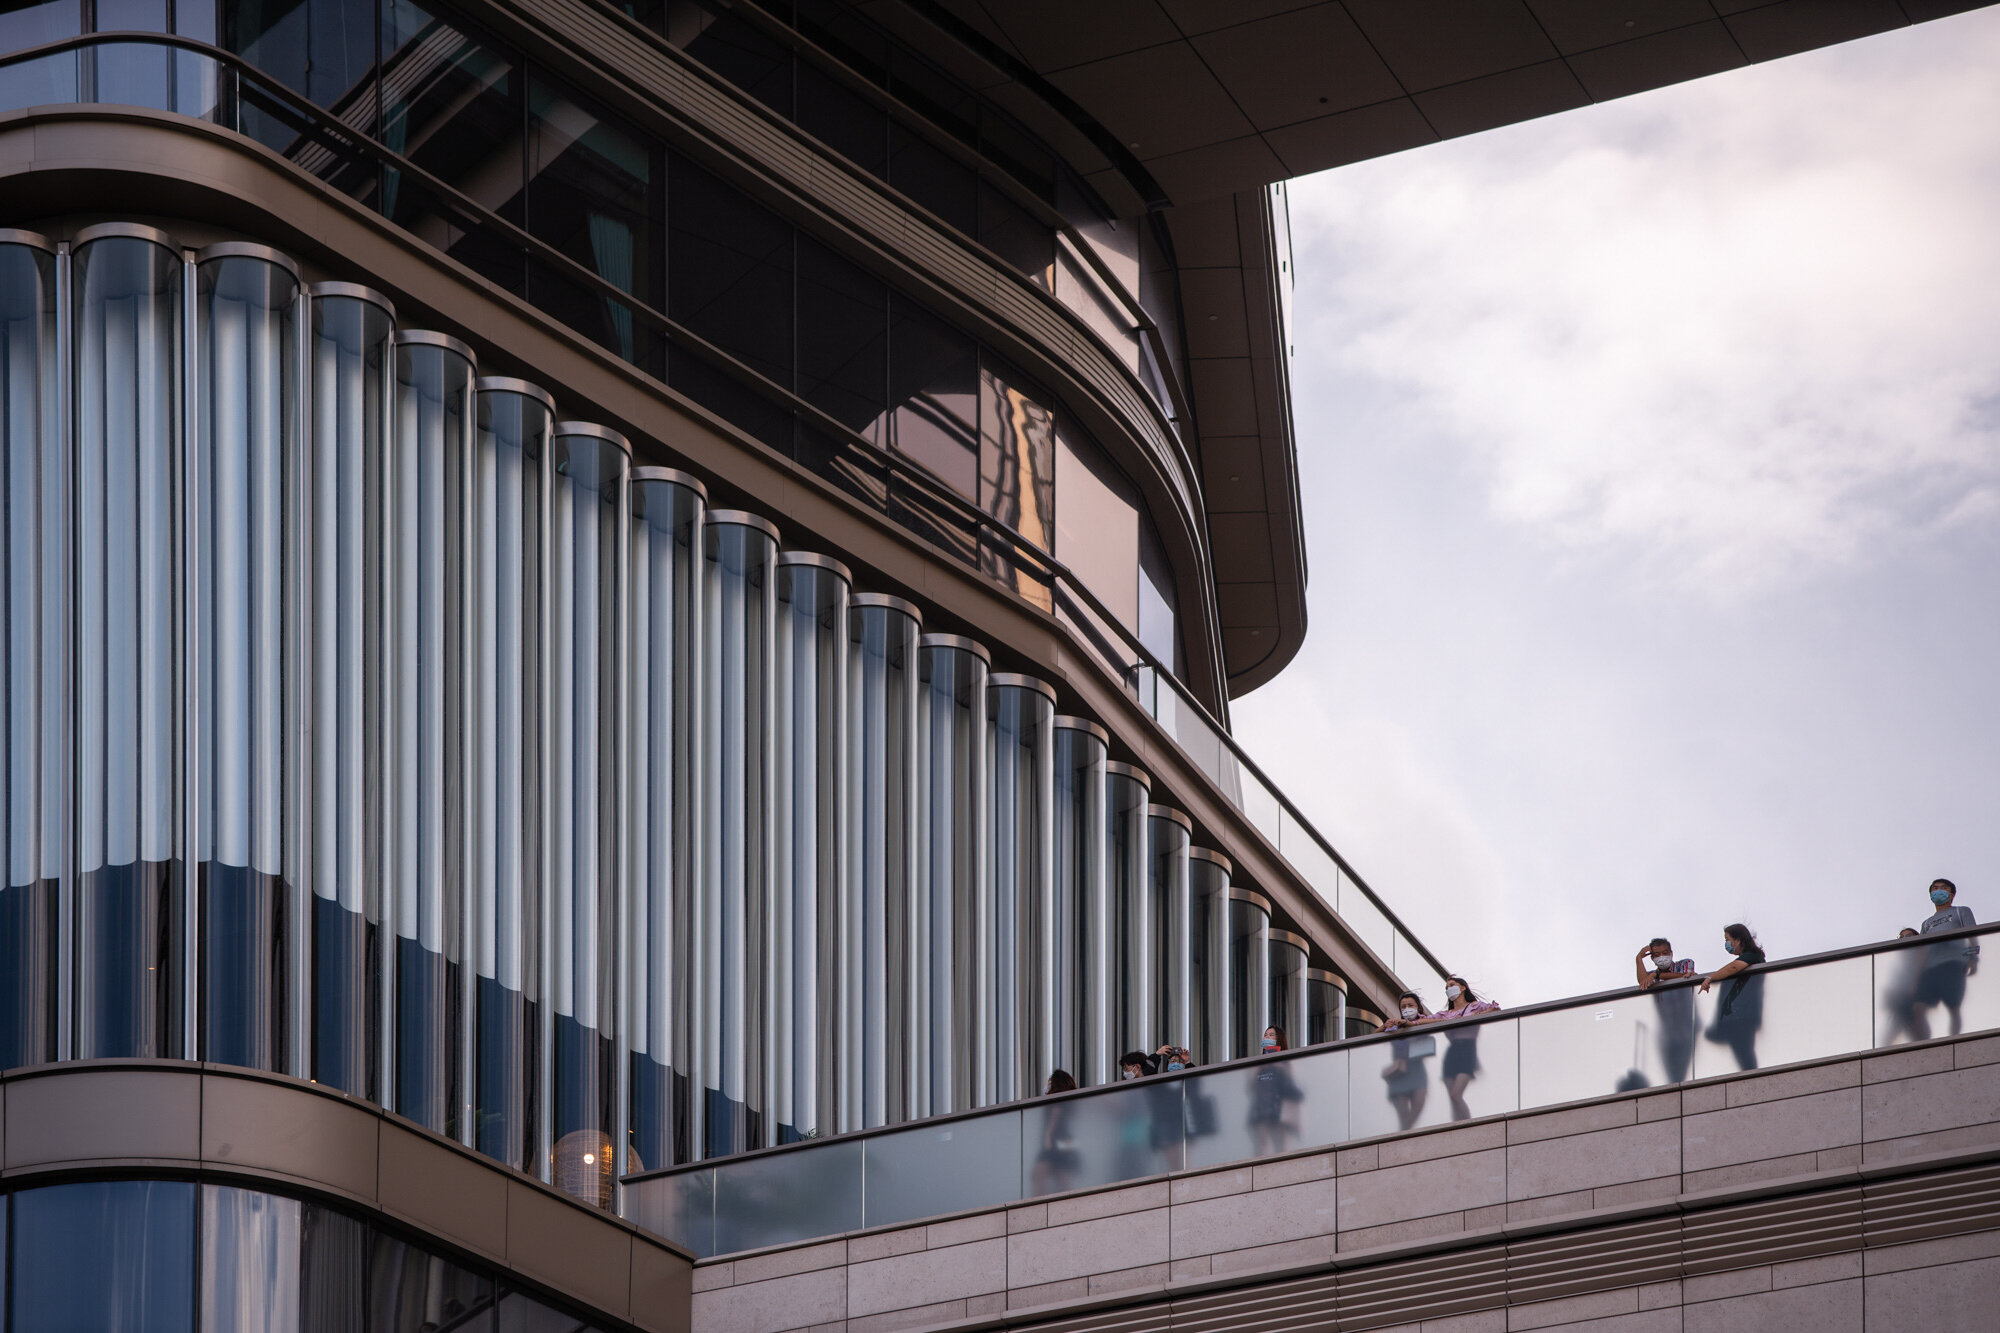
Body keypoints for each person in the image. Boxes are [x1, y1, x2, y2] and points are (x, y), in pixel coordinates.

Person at [1911, 878, 1980, 1039]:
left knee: (1953, 1006)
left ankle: (1954, 1040)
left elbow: (1973, 934)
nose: (1939, 890)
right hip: (1931, 967)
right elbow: (1921, 950)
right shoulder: (1926, 923)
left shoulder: (1961, 911)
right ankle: (1923, 1041)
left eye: (1943, 888)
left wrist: (1973, 959)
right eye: (1935, 888)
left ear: (1951, 894)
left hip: (1953, 963)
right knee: (1918, 1007)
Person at [1425, 977, 1500, 1121]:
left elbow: (1495, 1009)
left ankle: (1466, 1125)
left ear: (1463, 987)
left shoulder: (1474, 1006)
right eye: (1446, 987)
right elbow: (1424, 1020)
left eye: (1452, 985)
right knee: (1452, 1099)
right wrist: (1445, 1021)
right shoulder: (1446, 1014)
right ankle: (1456, 1126)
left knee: (1456, 1095)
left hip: (1467, 1049)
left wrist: (1477, 1016)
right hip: (1451, 1052)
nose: (1448, 989)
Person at [1698, 925, 1766, 1071]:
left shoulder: (1753, 956)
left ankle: (1752, 1081)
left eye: (1727, 940)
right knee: (1742, 1055)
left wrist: (1711, 978)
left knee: (1745, 1056)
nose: (1727, 944)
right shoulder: (1750, 957)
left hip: (1742, 1017)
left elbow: (1734, 968)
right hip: (1736, 1016)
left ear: (1738, 940)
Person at [1635, 938, 1698, 1082]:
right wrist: (1638, 958)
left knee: (1690, 1065)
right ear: (1652, 958)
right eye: (1657, 955)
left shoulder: (1685, 963)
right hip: (1666, 1028)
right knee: (1670, 1072)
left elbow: (1686, 976)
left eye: (1665, 953)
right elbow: (1642, 982)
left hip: (1687, 1023)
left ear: (1671, 953)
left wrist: (1657, 976)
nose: (1661, 957)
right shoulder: (1651, 975)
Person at [1380, 992, 1434, 1131]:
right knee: (1403, 1116)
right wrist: (1384, 1026)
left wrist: (1409, 1023)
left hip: (1417, 1070)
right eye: (1403, 1006)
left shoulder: (1425, 1022)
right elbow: (1373, 1038)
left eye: (1410, 1005)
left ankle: (1405, 1137)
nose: (1406, 1008)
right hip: (1399, 1073)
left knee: (1417, 1108)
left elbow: (1439, 1024)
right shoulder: (1396, 1028)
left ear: (1418, 1007)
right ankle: (1404, 1139)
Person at [1247, 1025, 1304, 1154]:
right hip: (1262, 1105)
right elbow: (1251, 1086)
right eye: (1266, 1035)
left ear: (1279, 1039)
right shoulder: (1259, 1064)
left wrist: (1278, 1066)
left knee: (1281, 1141)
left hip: (1280, 1104)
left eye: (1271, 1035)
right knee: (1262, 1141)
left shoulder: (1286, 1062)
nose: (1267, 1037)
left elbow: (1292, 1082)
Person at [1030, 1070, 1079, 1195]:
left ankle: (1038, 1203)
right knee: (1061, 1175)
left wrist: (1047, 1140)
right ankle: (1070, 1202)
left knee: (1038, 1174)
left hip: (1054, 1141)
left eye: (1050, 1082)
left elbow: (1053, 1120)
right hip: (1064, 1141)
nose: (1047, 1085)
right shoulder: (1068, 1102)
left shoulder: (1055, 1103)